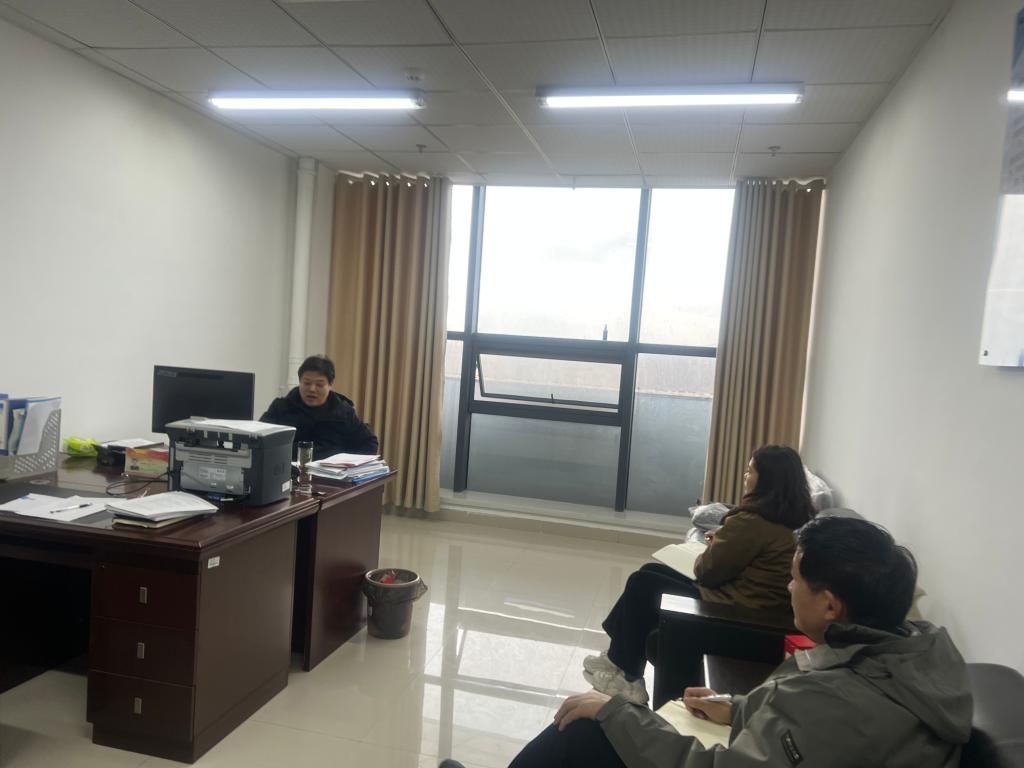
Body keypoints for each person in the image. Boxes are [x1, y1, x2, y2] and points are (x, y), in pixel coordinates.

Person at [440, 516, 973, 768]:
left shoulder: (840, 702)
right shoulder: (916, 654)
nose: (788, 588)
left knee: (586, 729)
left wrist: (619, 714)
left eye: (794, 579)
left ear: (831, 605)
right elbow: (813, 739)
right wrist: (739, 708)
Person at [584, 445, 817, 704]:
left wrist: (717, 543)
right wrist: (725, 539)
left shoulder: (753, 522)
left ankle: (628, 678)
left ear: (767, 480)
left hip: (734, 611)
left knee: (643, 583)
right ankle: (616, 659)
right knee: (650, 573)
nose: (745, 476)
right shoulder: (793, 519)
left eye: (750, 471)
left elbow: (707, 572)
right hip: (749, 603)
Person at [259, 354, 378, 461]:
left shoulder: (343, 412)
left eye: (319, 384)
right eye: (306, 383)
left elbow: (369, 443)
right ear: (300, 381)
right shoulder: (281, 407)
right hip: (288, 472)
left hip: (331, 475)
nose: (312, 389)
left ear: (330, 385)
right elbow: (259, 440)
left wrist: (344, 463)